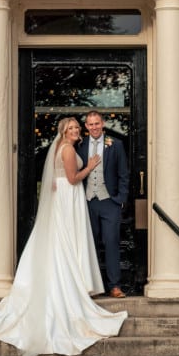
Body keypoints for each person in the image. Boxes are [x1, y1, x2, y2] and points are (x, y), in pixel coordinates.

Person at [0, 117, 128, 356]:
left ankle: (93, 283)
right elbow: (74, 177)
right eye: (73, 128)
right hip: (71, 196)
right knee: (66, 243)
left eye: (78, 127)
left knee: (68, 242)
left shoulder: (67, 147)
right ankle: (73, 285)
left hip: (72, 197)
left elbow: (65, 177)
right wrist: (91, 165)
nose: (77, 130)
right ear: (64, 132)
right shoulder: (68, 149)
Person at [76, 111, 129, 297]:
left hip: (109, 202)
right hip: (88, 202)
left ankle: (114, 286)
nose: (94, 127)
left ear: (103, 123)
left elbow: (123, 174)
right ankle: (93, 287)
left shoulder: (116, 145)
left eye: (97, 123)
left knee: (111, 242)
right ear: (86, 127)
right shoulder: (80, 145)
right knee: (90, 245)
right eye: (90, 124)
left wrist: (120, 200)